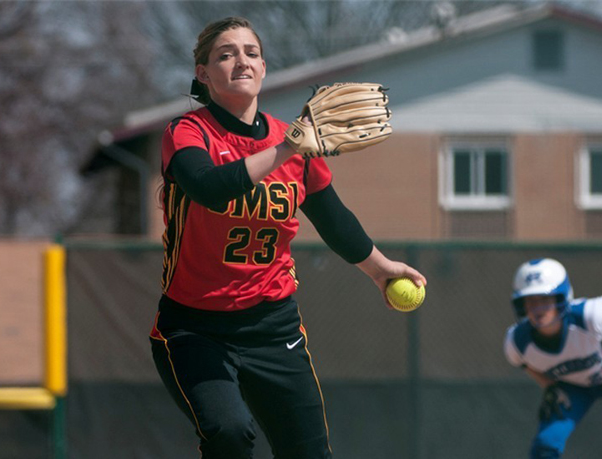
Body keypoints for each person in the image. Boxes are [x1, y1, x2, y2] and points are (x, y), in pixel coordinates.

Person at [148, 16, 426, 459]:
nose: (241, 59)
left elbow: (334, 220)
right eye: (226, 54)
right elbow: (210, 189)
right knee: (229, 433)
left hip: (273, 327)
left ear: (264, 67)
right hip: (195, 329)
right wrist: (290, 148)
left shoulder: (292, 143)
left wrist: (381, 270)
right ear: (203, 73)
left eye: (251, 52)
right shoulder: (188, 132)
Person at [503, 258, 602, 459]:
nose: (537, 308)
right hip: (574, 385)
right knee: (546, 444)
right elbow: (522, 363)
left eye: (545, 299)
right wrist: (550, 385)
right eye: (530, 301)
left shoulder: (593, 315)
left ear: (562, 298)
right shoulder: (517, 341)